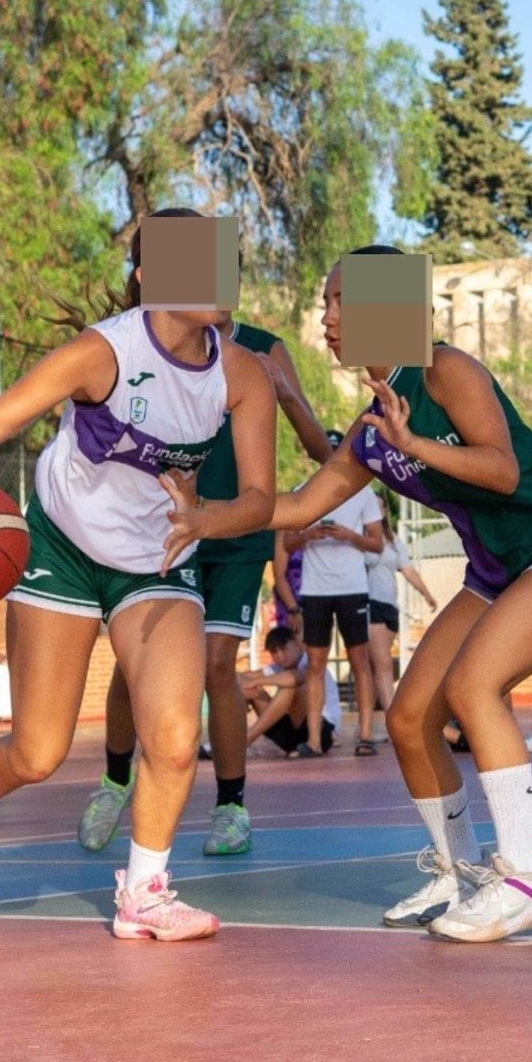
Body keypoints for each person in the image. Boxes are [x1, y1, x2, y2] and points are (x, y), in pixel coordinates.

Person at [206, 243, 532, 943]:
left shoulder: (444, 371)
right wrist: (205, 513)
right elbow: (301, 505)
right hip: (495, 572)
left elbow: (502, 471)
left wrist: (416, 442)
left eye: (342, 302)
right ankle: (460, 875)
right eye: (326, 305)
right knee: (407, 719)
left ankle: (529, 876)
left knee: (474, 685)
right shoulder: (373, 425)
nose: (329, 317)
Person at [0, 206, 276, 940]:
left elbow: (259, 500)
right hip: (63, 547)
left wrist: (205, 521)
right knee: (39, 752)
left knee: (171, 737)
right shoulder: (103, 353)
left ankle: (145, 894)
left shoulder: (241, 375)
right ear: (150, 277)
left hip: (159, 559)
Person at [81, 317, 332, 860]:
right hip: (166, 524)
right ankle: (115, 779)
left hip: (237, 534)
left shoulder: (264, 349)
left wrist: (284, 390)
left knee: (218, 664)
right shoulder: (152, 340)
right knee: (133, 663)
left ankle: (230, 806)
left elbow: (321, 451)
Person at [282, 428, 383, 756]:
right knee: (314, 663)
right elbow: (287, 542)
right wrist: (309, 534)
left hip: (352, 587)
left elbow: (377, 544)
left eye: (337, 453)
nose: (331, 460)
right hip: (315, 590)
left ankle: (365, 734)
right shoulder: (303, 491)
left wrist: (348, 535)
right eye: (327, 455)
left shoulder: (364, 494)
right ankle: (313, 739)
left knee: (360, 660)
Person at [361, 489, 440, 756]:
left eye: (380, 507)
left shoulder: (394, 541)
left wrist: (427, 594)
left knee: (376, 668)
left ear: (384, 511)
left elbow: (408, 570)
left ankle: (368, 728)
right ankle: (397, 724)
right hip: (369, 603)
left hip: (390, 607)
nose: (376, 510)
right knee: (383, 665)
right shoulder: (360, 538)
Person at [242, 625, 343, 756]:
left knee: (291, 687)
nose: (280, 656)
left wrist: (256, 681)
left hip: (321, 732)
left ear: (296, 644)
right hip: (293, 735)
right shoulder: (278, 668)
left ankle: (244, 740)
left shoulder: (312, 665)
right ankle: (229, 736)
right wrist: (243, 687)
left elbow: (293, 678)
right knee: (249, 688)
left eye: (283, 649)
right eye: (274, 652)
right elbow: (243, 676)